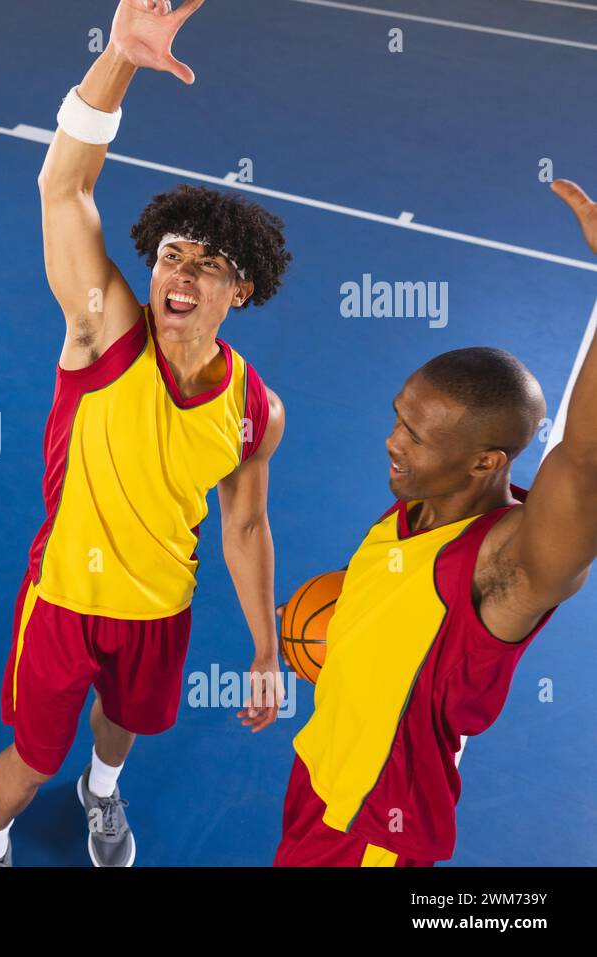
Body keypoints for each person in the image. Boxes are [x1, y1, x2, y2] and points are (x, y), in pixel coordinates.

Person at [0, 0, 290, 867]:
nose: (181, 274)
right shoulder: (105, 332)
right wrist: (116, 59)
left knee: (122, 728)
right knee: (32, 759)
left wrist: (266, 647)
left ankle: (102, 794)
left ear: (242, 292)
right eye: (171, 256)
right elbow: (63, 188)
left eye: (208, 264)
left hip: (160, 608)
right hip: (67, 600)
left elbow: (246, 523)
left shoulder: (256, 407)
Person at [274, 180, 597, 867]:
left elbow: (585, 462)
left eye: (416, 435)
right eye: (398, 415)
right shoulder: (420, 503)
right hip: (322, 780)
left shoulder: (503, 565)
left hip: (375, 832)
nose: (393, 440)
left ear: (486, 459)